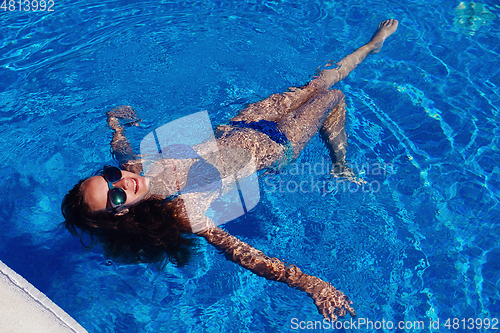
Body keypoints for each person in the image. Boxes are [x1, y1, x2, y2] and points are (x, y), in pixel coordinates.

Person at [61, 19, 398, 321]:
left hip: (244, 122)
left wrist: (115, 124)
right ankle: (340, 164)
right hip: (280, 145)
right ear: (120, 215)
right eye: (116, 196)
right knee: (333, 97)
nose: (123, 183)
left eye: (109, 177)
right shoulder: (181, 210)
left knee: (316, 83)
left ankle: (370, 47)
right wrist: (308, 283)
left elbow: (121, 150)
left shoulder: (133, 167)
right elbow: (239, 251)